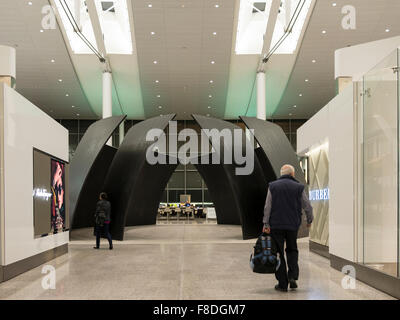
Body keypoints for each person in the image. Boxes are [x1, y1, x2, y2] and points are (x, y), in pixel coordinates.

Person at [262, 164, 313, 292]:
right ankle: (292, 277)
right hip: (292, 225)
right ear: (292, 174)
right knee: (292, 250)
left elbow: (267, 207)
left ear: (281, 174)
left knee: (278, 253)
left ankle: (282, 283)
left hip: (276, 225)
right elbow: (307, 205)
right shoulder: (299, 187)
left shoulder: (273, 186)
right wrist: (309, 220)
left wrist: (266, 224)